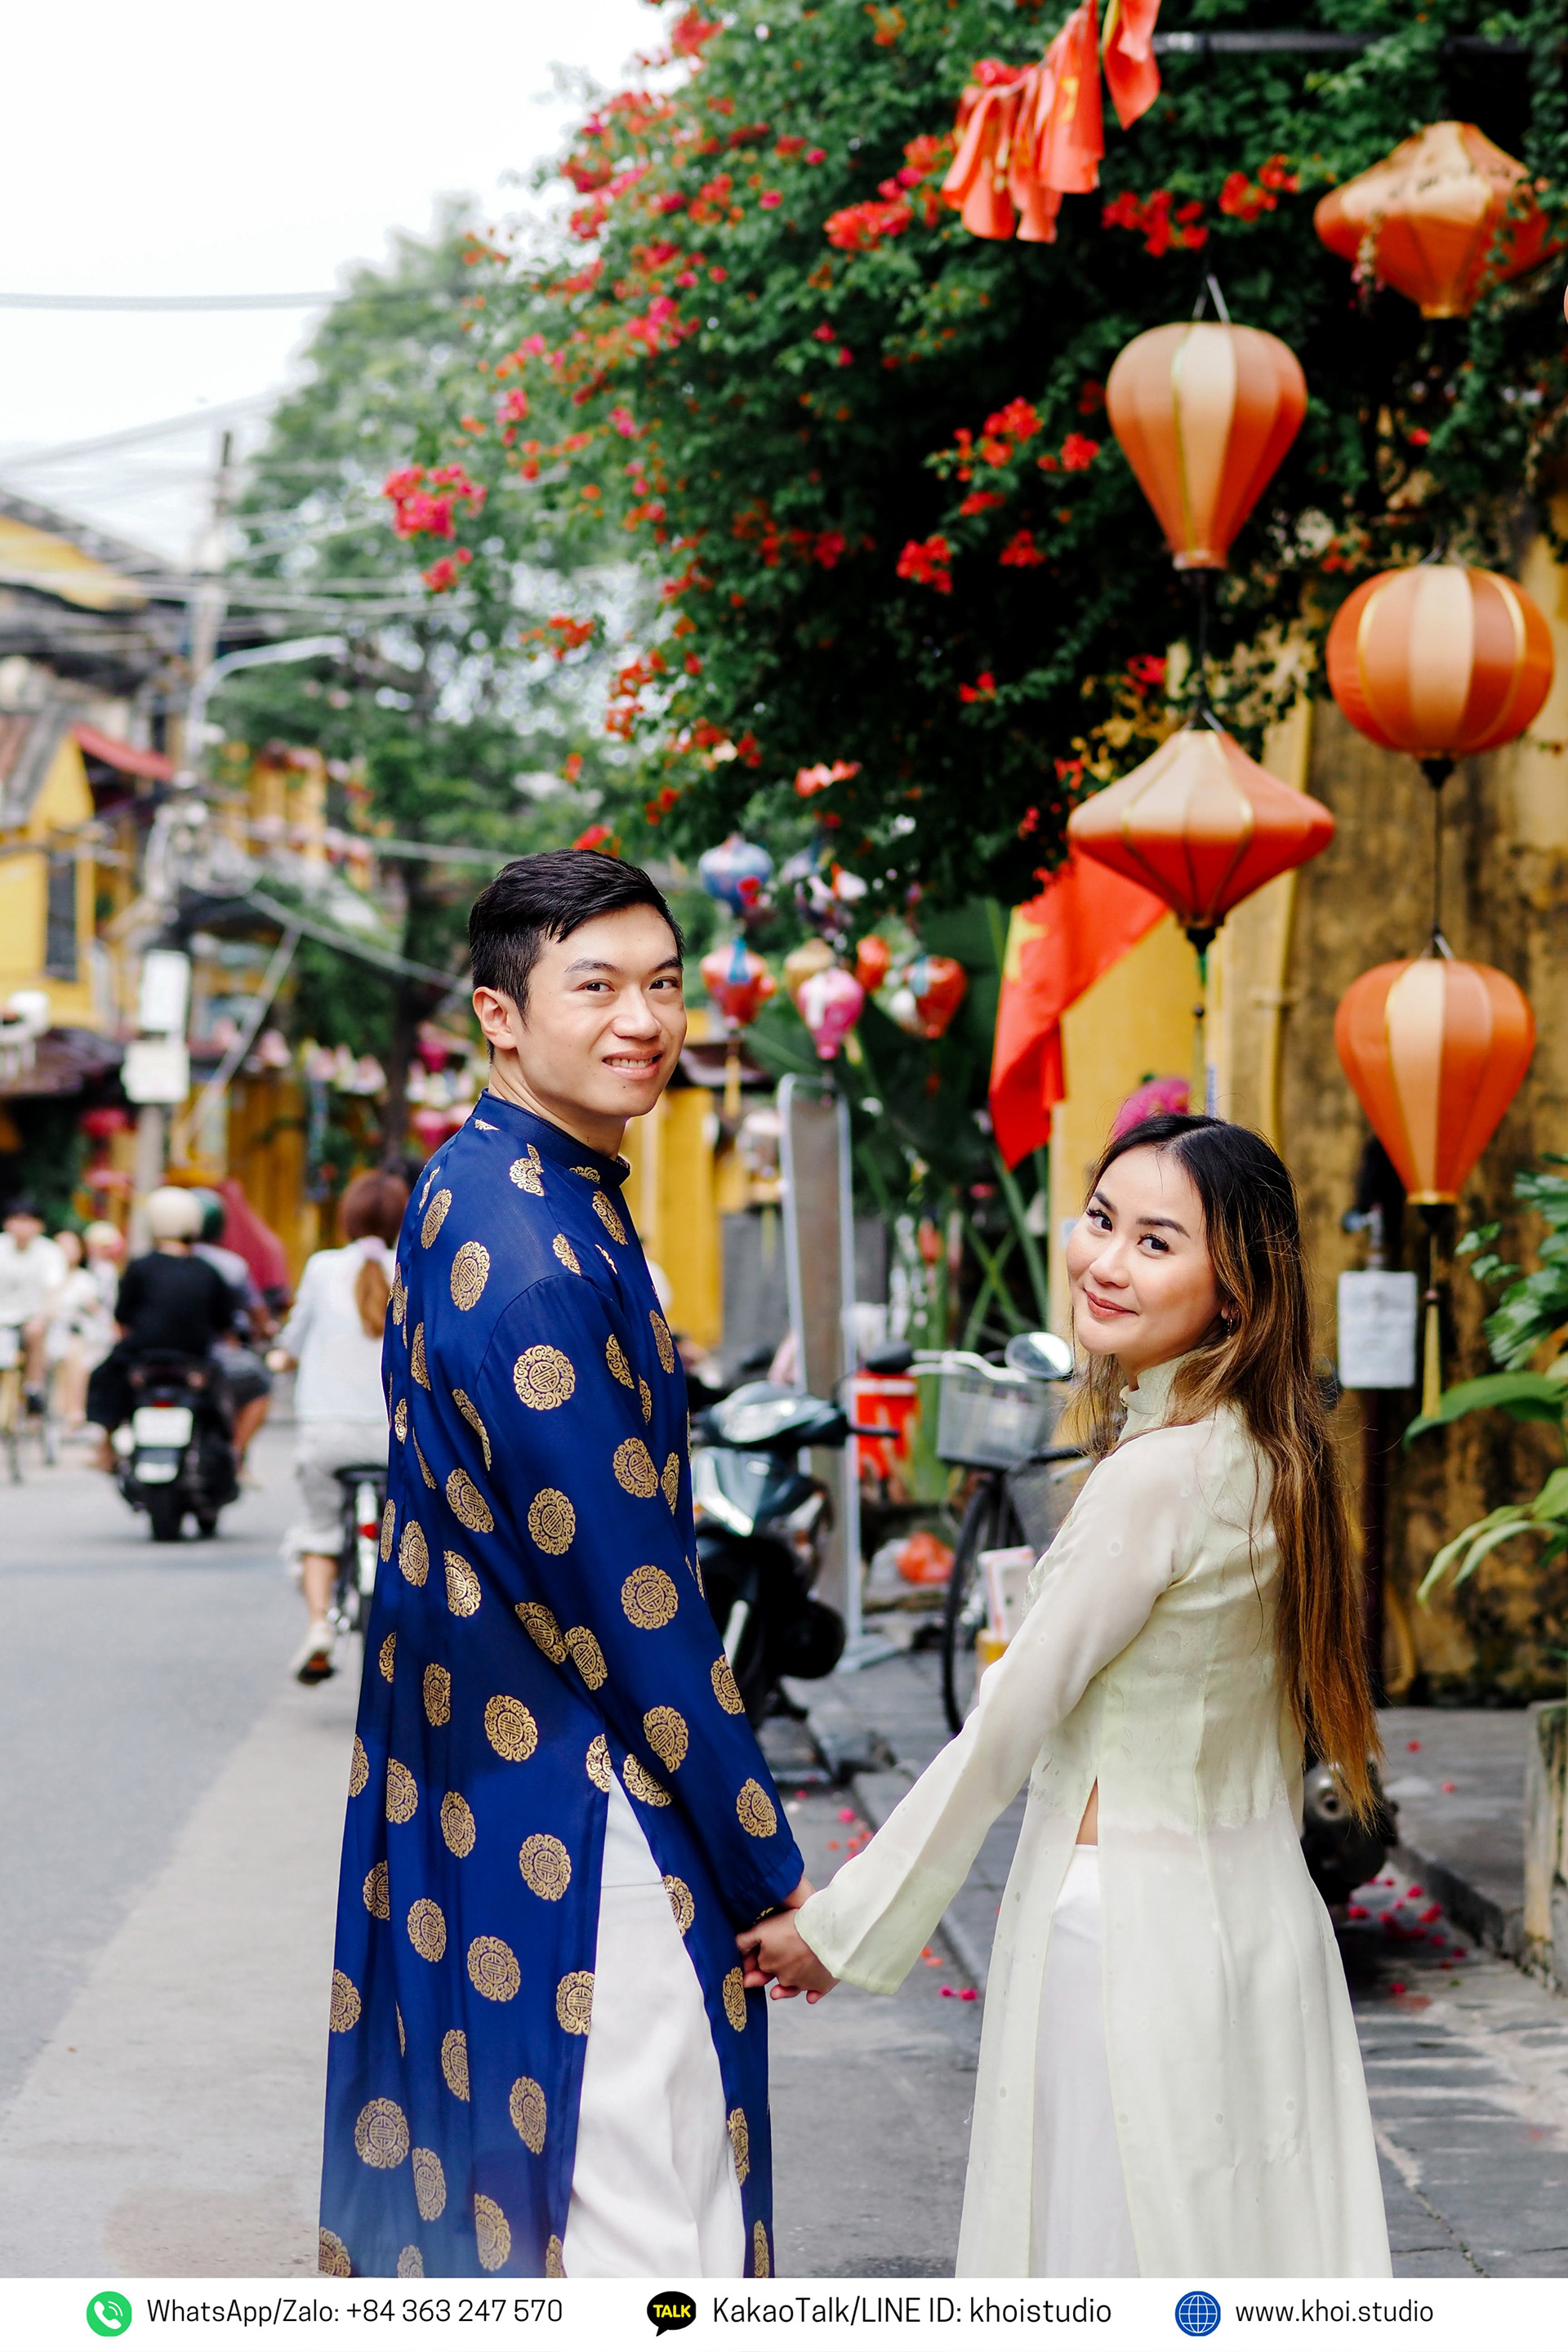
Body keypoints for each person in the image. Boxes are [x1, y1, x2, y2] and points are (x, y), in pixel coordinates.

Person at [742, 1113, 1392, 2279]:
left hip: (1127, 1931)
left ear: (1236, 1288)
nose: (1104, 1261)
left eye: (1156, 1242)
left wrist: (841, 1926)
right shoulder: (1277, 1454)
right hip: (1258, 1928)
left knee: (1113, 2262)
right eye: (1101, 1221)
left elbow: (1004, 1732)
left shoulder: (1156, 1476)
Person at [318, 851, 808, 2283]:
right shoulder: (536, 1246)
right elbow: (633, 1598)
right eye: (593, 987)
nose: (642, 1019)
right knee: (637, 2229)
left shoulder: (488, 1178)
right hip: (584, 1821)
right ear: (501, 1014)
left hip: (483, 1786)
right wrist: (769, 1866)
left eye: (662, 984)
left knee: (527, 2204)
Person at [267, 1169, 408, 1686]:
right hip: (398, 1439)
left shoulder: (324, 1268)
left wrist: (284, 1357)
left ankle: (319, 1628)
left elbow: (296, 1338)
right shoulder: (418, 1265)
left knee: (320, 1529)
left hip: (329, 1437)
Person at [86, 1187, 234, 1462]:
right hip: (195, 1358)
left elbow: (123, 1319)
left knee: (103, 1377)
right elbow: (224, 1324)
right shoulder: (208, 1271)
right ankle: (235, 1456)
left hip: (141, 1355)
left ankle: (105, 1448)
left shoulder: (140, 1267)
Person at [191, 1188, 274, 1477]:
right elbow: (256, 1315)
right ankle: (236, 1455)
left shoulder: (151, 1261)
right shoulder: (229, 1266)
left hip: (162, 1354)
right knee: (260, 1385)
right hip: (214, 1356)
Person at [0, 1196, 67, 1409]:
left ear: (39, 1225)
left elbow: (53, 1292)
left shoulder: (50, 1252)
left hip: (32, 1317)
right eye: (17, 1220)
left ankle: (33, 1386)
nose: (22, 1226)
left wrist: (44, 1315)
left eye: (28, 1220)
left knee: (35, 1331)